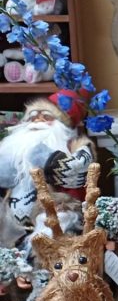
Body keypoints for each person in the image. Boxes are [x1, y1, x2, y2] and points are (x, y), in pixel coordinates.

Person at [0, 90, 94, 247]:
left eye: (46, 117)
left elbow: (77, 169)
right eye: (33, 117)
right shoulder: (12, 152)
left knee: (54, 227)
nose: (38, 121)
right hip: (11, 227)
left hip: (55, 216)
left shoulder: (73, 146)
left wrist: (48, 159)